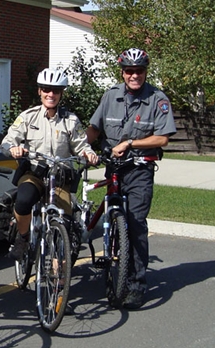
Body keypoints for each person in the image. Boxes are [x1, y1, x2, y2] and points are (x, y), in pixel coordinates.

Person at [87, 48, 176, 310]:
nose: (134, 75)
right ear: (122, 72)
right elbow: (94, 128)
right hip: (114, 168)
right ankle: (115, 258)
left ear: (146, 71)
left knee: (135, 223)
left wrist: (130, 142)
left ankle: (137, 284)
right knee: (111, 215)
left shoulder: (157, 99)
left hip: (139, 169)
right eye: (129, 71)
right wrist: (80, 147)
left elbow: (162, 138)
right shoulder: (110, 96)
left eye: (139, 71)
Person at [0, 68, 98, 261]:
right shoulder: (28, 117)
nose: (50, 94)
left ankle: (59, 272)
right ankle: (23, 238)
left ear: (61, 93)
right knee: (23, 201)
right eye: (46, 89)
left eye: (55, 91)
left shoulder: (70, 121)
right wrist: (13, 148)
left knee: (65, 223)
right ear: (40, 91)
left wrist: (89, 154)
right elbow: (7, 140)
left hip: (60, 177)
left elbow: (81, 145)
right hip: (35, 173)